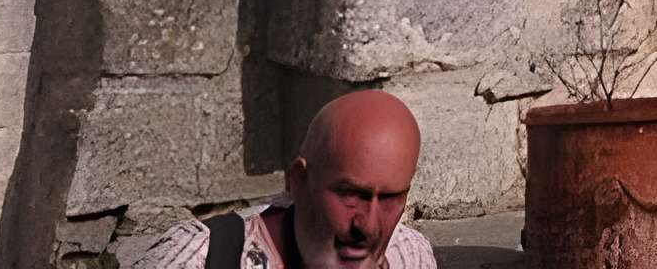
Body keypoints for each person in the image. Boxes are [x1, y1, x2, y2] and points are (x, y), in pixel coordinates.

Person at [137, 89, 435, 269]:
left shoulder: (409, 255)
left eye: (390, 198)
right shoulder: (199, 259)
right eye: (351, 195)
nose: (368, 224)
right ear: (299, 179)